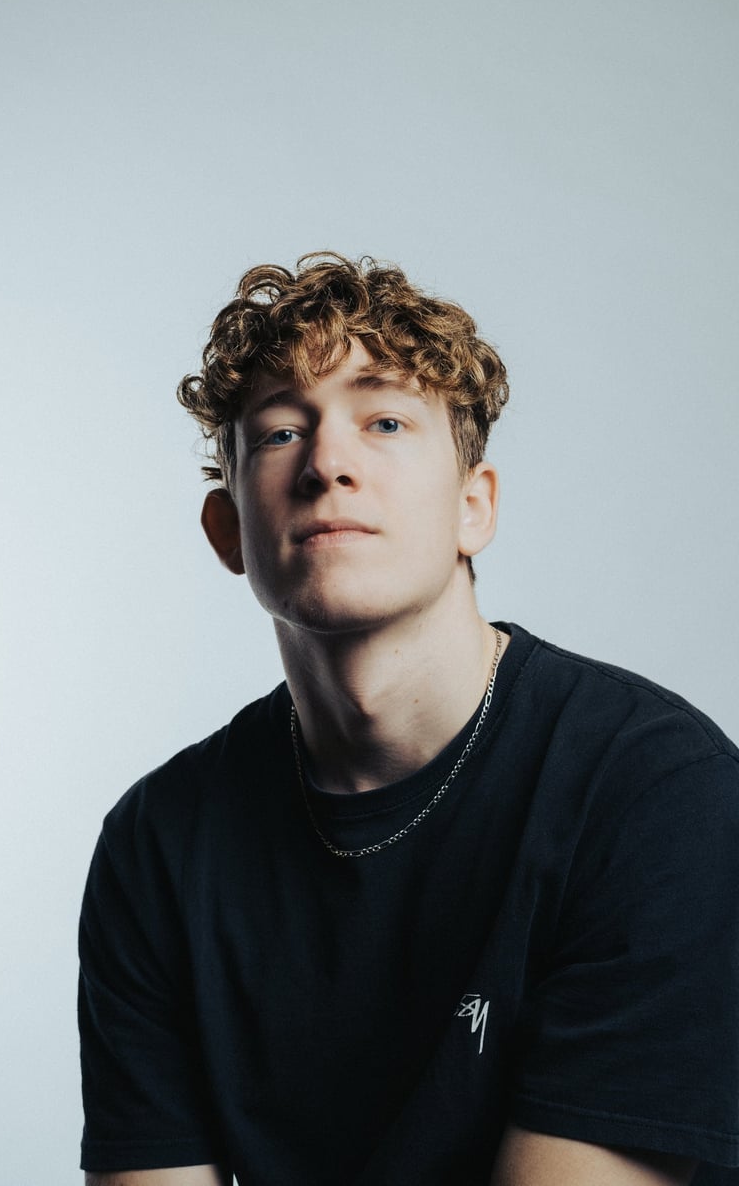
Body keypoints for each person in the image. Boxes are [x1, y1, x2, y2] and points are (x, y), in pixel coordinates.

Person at [79, 253, 739, 1186]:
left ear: (475, 506)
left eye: (384, 420)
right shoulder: (158, 843)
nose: (328, 464)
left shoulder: (654, 794)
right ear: (229, 530)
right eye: (277, 433)